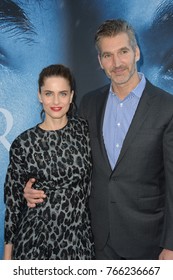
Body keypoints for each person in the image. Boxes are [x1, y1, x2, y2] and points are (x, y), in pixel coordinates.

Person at [24, 19, 173, 260]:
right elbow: (72, 164)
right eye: (107, 55)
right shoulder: (89, 103)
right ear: (100, 61)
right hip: (94, 241)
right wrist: (36, 189)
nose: (117, 63)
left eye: (123, 52)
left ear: (136, 52)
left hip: (148, 243)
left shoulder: (167, 107)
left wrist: (171, 245)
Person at [4, 64, 95, 260]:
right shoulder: (24, 143)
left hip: (78, 241)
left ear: (71, 96)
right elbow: (12, 204)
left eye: (62, 94)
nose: (56, 101)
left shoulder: (85, 131)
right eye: (49, 93)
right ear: (40, 95)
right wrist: (7, 258)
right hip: (34, 243)